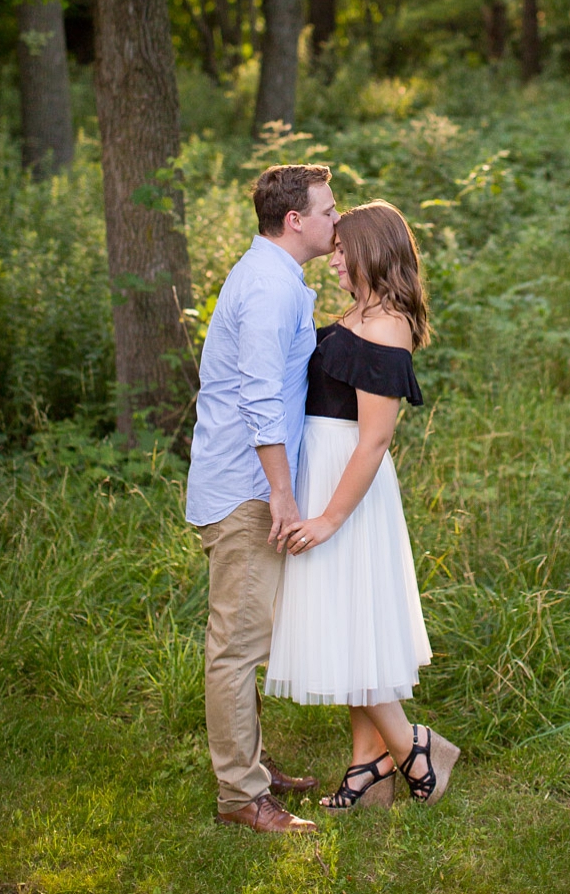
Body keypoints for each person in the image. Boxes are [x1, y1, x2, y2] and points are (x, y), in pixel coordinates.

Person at [265, 200, 460, 810]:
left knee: (350, 626)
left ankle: (412, 747)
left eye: (345, 249)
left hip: (348, 490)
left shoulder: (388, 325)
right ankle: (366, 764)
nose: (336, 259)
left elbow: (374, 439)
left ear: (373, 250)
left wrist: (327, 517)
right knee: (346, 622)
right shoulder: (360, 313)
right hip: (325, 477)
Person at [185, 163, 339, 836]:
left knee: (250, 633)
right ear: (295, 219)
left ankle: (250, 762)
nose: (339, 220)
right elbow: (257, 396)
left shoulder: (275, 278)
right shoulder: (271, 288)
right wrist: (281, 491)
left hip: (252, 482)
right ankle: (241, 794)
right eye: (329, 210)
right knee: (237, 643)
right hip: (247, 489)